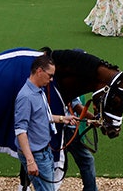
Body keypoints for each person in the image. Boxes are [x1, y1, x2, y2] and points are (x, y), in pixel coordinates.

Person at [14, 54, 71, 191]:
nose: (51, 80)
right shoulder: (26, 97)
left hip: (44, 151)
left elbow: (42, 116)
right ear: (39, 71)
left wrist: (62, 119)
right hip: (37, 155)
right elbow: (20, 130)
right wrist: (30, 161)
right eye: (50, 75)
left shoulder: (39, 90)